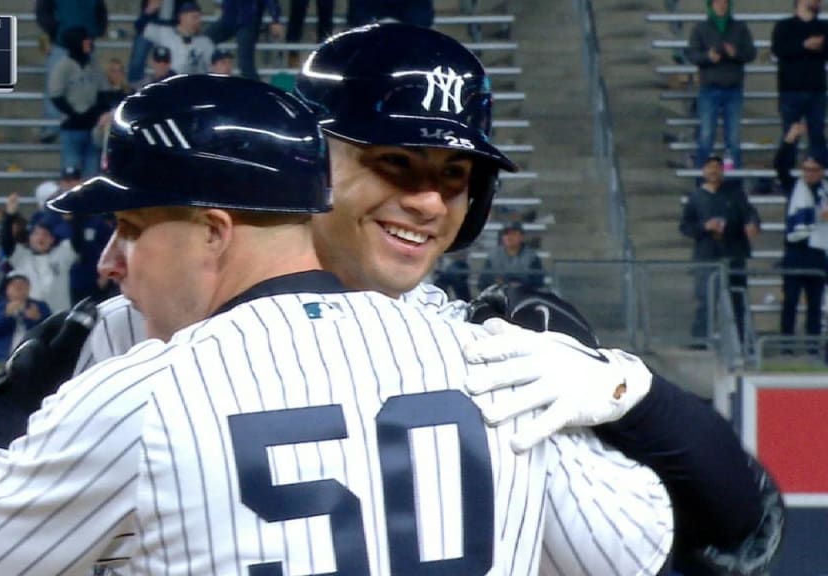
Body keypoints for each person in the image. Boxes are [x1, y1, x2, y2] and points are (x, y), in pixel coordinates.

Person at [73, 25, 783, 574]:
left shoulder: (495, 360)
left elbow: (733, 536)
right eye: (394, 163)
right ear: (307, 164)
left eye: (454, 173)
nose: (427, 199)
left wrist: (627, 388)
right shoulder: (125, 321)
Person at [0, 74, 674, 575]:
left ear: (214, 231)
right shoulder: (492, 362)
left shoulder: (139, 396)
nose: (111, 261)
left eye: (134, 227)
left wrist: (10, 397)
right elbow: (652, 554)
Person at [680, 154, 761, 346]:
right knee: (705, 301)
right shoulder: (696, 197)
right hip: (707, 255)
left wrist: (752, 223)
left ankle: (741, 342)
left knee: (737, 301)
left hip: (734, 254)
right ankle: (700, 341)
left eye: (717, 167)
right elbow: (685, 227)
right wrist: (705, 227)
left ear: (722, 170)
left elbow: (750, 214)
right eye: (710, 167)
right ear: (703, 171)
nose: (714, 171)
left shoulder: (735, 193)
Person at [775, 120, 828, 349]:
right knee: (790, 301)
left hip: (819, 251)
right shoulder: (794, 186)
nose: (808, 173)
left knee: (815, 304)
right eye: (805, 169)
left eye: (813, 170)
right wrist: (790, 139)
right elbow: (780, 165)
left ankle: (813, 345)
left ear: (821, 172)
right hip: (796, 251)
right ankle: (786, 344)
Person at [685, 0, 756, 169]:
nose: (721, 5)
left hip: (733, 89)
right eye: (717, 2)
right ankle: (702, 182)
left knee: (733, 139)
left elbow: (751, 53)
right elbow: (692, 54)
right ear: (711, 5)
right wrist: (707, 57)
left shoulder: (740, 27)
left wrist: (735, 53)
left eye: (724, 1)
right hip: (710, 88)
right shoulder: (700, 28)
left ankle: (733, 184)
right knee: (706, 137)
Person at [35, 0, 108, 143]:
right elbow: (43, 10)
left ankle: (86, 122)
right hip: (62, 43)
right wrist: (56, 30)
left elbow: (100, 10)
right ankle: (51, 127)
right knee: (55, 87)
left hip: (86, 44)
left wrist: (97, 29)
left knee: (89, 87)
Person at [0, 192, 82, 313]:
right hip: (31, 317)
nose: (41, 238)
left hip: (59, 316)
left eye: (46, 234)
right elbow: (6, 241)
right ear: (30, 238)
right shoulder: (21, 256)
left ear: (52, 240)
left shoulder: (63, 253)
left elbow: (78, 240)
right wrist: (9, 216)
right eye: (36, 234)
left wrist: (72, 219)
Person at [47, 26, 110, 178]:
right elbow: (56, 95)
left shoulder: (94, 65)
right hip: (72, 128)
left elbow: (103, 91)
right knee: (71, 172)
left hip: (93, 128)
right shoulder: (63, 66)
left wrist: (95, 112)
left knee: (92, 174)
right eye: (85, 40)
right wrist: (74, 114)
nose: (89, 42)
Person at [772, 0, 828, 163]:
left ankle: (820, 180)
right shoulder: (784, 26)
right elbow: (779, 50)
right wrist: (804, 45)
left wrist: (819, 46)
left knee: (817, 135)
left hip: (816, 90)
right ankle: (786, 176)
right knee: (790, 136)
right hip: (791, 90)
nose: (818, 2)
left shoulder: (823, 27)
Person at [205, 0, 284, 80]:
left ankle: (256, 90)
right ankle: (199, 82)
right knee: (202, 41)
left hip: (248, 23)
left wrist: (275, 19)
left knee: (245, 62)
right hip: (228, 20)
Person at [0, 271, 50, 361]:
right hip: (1, 359)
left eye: (23, 284)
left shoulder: (40, 306)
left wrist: (37, 319)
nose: (19, 287)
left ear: (29, 288)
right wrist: (6, 315)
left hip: (32, 359)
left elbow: (50, 332)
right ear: (7, 289)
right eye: (14, 284)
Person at [142, 2, 215, 75]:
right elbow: (141, 27)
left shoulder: (205, 42)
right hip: (169, 82)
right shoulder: (165, 33)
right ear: (182, 17)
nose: (198, 21)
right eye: (194, 17)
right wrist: (149, 10)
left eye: (199, 18)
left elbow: (213, 68)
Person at [477, 221, 546, 290]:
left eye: (514, 234)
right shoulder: (493, 256)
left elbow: (538, 282)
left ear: (522, 237)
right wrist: (496, 282)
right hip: (499, 295)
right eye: (506, 234)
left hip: (524, 296)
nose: (509, 237)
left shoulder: (532, 257)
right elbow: (482, 283)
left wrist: (520, 284)